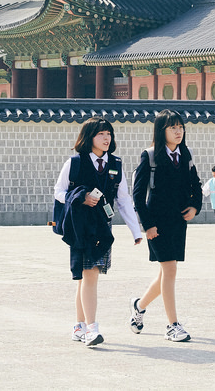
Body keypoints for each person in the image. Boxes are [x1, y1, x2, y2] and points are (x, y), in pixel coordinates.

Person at [54, 117, 143, 346]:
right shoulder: (74, 162)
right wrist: (80, 198)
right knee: (90, 274)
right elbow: (58, 192)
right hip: (80, 225)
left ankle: (79, 326)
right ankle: (92, 329)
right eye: (100, 134)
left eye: (109, 134)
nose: (106, 138)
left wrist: (136, 230)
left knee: (86, 277)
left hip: (103, 226)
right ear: (89, 137)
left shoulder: (115, 164)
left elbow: (123, 199)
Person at [130, 109, 203, 343]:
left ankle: (139, 307)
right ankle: (173, 325)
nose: (178, 131)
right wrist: (147, 225)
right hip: (157, 223)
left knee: (165, 272)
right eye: (173, 127)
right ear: (162, 131)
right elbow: (138, 195)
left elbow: (196, 185)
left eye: (180, 126)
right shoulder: (149, 156)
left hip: (179, 221)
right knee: (170, 270)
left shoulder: (186, 154)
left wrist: (195, 207)